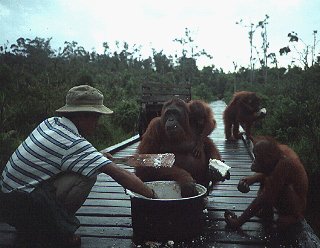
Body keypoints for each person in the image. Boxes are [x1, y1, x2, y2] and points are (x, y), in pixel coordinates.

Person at [0, 85, 155, 248]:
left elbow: (62, 156)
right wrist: (153, 196)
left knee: (87, 167)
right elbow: (120, 175)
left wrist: (98, 156)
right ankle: (53, 231)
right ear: (83, 116)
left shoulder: (49, 123)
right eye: (96, 117)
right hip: (25, 207)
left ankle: (33, 228)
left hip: (9, 206)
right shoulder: (74, 143)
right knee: (87, 175)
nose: (97, 123)